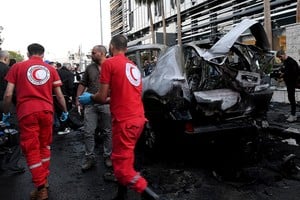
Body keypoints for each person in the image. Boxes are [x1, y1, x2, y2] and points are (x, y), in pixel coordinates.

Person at [79, 35, 161, 200]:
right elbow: (123, 96)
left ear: (111, 46)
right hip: (138, 120)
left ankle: (151, 196)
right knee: (123, 159)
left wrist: (91, 97)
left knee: (123, 168)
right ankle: (121, 195)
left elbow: (102, 97)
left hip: (125, 123)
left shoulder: (109, 63)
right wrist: (103, 98)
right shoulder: (133, 67)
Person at [2, 43, 68, 200]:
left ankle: (41, 187)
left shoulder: (17, 67)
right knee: (44, 146)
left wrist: (5, 112)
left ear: (27, 53)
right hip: (47, 112)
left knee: (31, 150)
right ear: (43, 55)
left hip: (27, 112)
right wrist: (65, 111)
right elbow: (59, 95)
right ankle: (43, 181)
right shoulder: (51, 69)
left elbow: (8, 94)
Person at [76, 45, 112, 171]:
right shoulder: (90, 68)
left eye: (93, 52)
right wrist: (78, 99)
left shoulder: (111, 65)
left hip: (107, 103)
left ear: (102, 53)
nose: (91, 54)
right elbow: (82, 83)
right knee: (88, 131)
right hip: (91, 103)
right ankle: (89, 157)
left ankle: (108, 156)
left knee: (108, 131)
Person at [277, 50, 299, 122]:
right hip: (289, 83)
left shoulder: (291, 62)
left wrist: (283, 76)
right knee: (291, 98)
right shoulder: (286, 62)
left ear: (283, 55)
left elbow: (294, 74)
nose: (280, 59)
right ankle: (293, 114)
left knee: (291, 99)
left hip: (293, 83)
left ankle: (293, 116)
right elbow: (285, 71)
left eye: (280, 57)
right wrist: (282, 74)